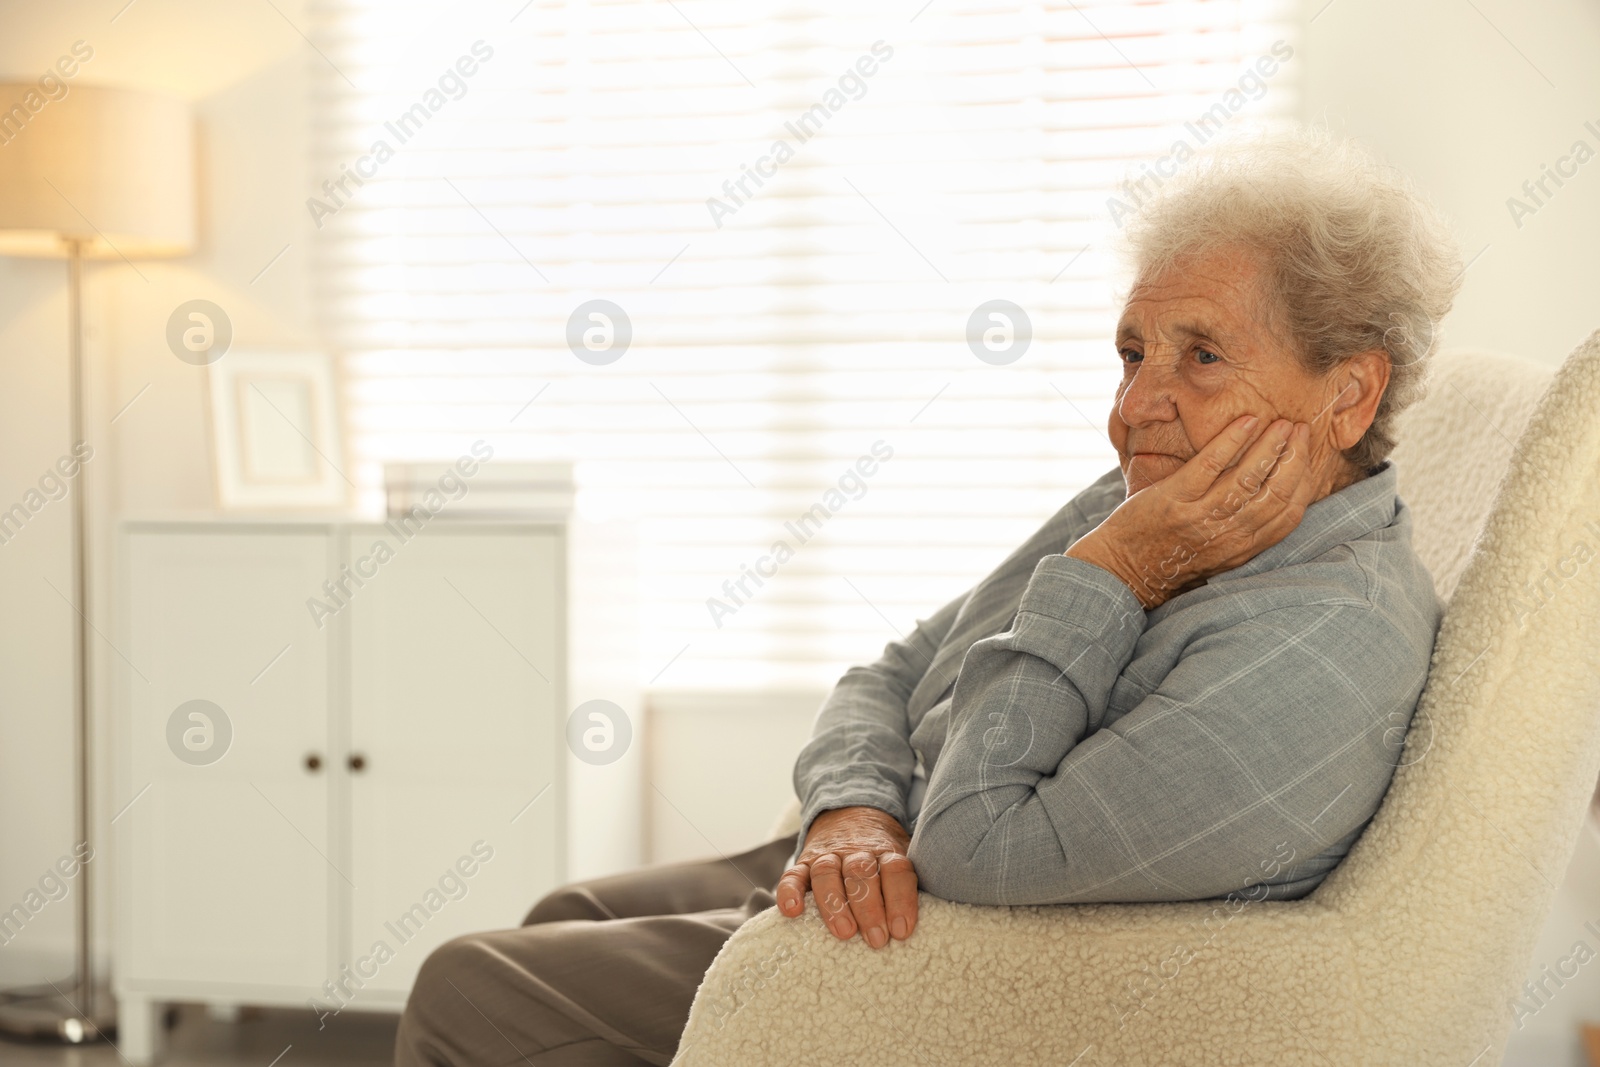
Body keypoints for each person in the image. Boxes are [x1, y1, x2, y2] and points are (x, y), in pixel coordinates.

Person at [393, 125, 1461, 1067]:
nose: (1134, 407)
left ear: (1348, 390)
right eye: (1131, 352)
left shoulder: (1323, 644)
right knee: (562, 909)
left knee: (469, 984)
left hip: (948, 950)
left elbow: (980, 846)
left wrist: (1112, 574)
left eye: (1202, 357)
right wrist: (851, 804)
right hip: (880, 848)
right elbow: (898, 668)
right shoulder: (1149, 492)